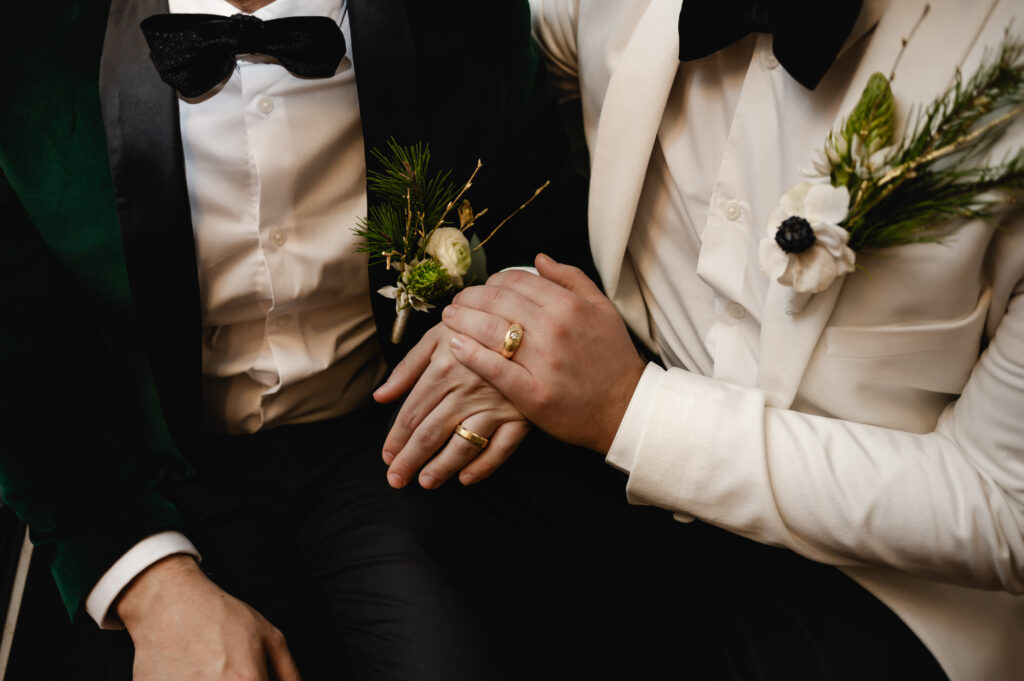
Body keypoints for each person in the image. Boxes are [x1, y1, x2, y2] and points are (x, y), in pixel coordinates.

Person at [383, 0, 1024, 678]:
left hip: (878, 580)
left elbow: (1004, 502)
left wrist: (629, 408)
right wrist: (521, 319)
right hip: (606, 479)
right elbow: (517, 109)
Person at [0, 0, 591, 678]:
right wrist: (148, 579)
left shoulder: (464, 17)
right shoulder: (25, 42)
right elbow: (22, 370)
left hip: (391, 446)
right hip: (155, 471)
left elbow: (544, 222)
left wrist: (506, 339)